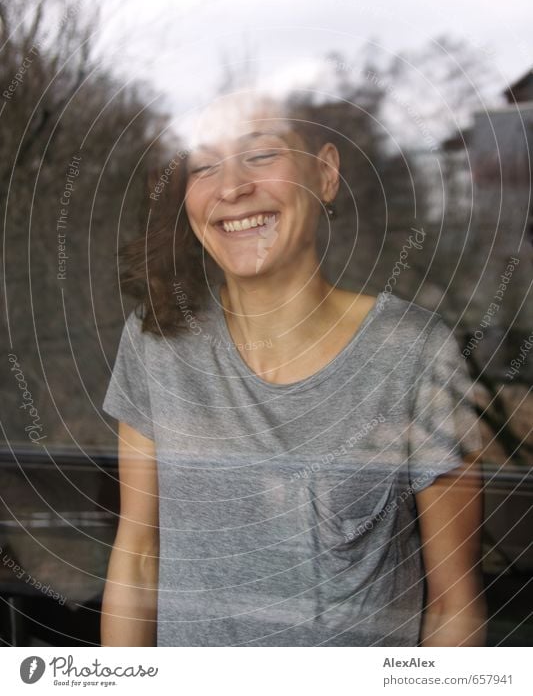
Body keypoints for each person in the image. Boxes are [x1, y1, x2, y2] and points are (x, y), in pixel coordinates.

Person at [100, 91, 486, 647]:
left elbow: (453, 603)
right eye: (204, 166)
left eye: (260, 155)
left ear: (325, 175)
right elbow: (137, 558)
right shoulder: (156, 340)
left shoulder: (414, 350)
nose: (232, 187)